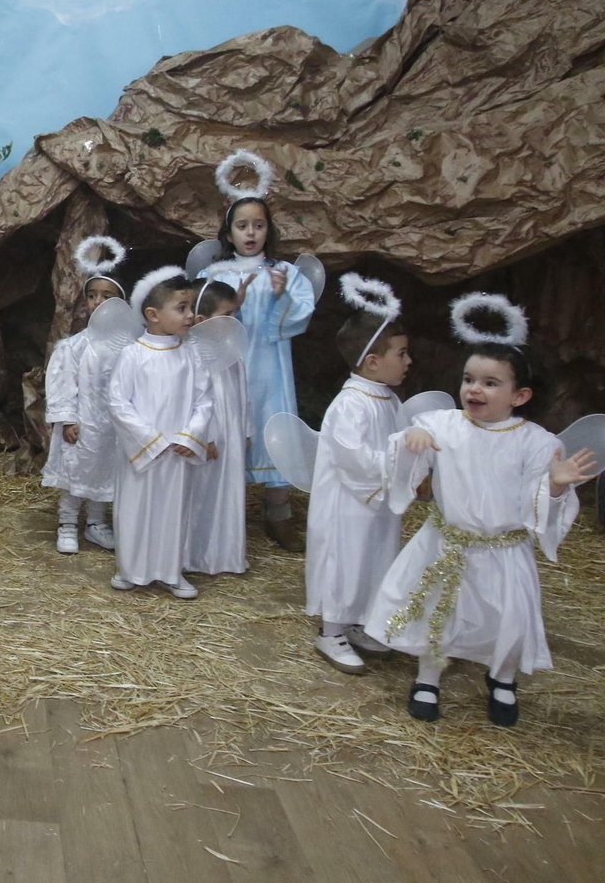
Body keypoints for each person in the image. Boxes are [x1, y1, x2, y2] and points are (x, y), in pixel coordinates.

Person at [365, 295, 597, 727]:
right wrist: (411, 439)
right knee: (438, 613)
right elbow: (412, 445)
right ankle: (429, 676)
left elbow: (538, 499)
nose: (474, 389)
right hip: (446, 542)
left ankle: (503, 678)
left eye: (491, 383)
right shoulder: (445, 425)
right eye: (469, 379)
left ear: (520, 395)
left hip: (503, 554)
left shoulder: (536, 443)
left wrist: (556, 486)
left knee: (504, 620)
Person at [305, 276, 411, 675]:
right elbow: (354, 457)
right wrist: (395, 467)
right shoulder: (350, 404)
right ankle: (331, 630)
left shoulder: (387, 399)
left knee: (374, 558)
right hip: (348, 505)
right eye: (401, 353)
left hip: (376, 501)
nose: (407, 361)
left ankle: (358, 621)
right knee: (345, 561)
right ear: (372, 360)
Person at [211, 153, 317, 552]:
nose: (251, 233)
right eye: (242, 226)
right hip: (231, 368)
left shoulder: (286, 272)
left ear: (268, 229)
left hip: (271, 368)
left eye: (258, 225)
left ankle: (279, 517)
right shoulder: (214, 275)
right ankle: (228, 519)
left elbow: (299, 316)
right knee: (231, 428)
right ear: (229, 233)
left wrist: (280, 295)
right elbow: (200, 320)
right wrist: (230, 306)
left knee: (274, 429)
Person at [107, 267, 213, 599]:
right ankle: (131, 568)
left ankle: (171, 570)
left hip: (177, 452)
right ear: (153, 315)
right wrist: (149, 439)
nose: (190, 315)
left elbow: (204, 400)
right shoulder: (133, 355)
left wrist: (189, 437)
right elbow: (118, 402)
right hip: (142, 453)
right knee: (135, 509)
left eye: (190, 307)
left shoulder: (191, 355)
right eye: (181, 308)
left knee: (174, 510)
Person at [42, 235, 127, 554]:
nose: (97, 302)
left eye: (107, 296)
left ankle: (95, 523)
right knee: (76, 473)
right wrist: (66, 418)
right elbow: (62, 383)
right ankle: (67, 523)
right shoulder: (75, 346)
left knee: (106, 474)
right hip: (82, 425)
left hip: (114, 428)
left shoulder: (130, 346)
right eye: (92, 296)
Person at [182, 276, 251, 577]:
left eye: (235, 314)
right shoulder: (190, 354)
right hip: (209, 436)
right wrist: (203, 437)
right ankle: (195, 553)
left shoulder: (231, 349)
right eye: (227, 315)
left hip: (232, 433)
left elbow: (244, 393)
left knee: (227, 490)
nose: (233, 322)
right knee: (202, 493)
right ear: (201, 319)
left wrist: (246, 430)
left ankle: (224, 553)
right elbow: (193, 400)